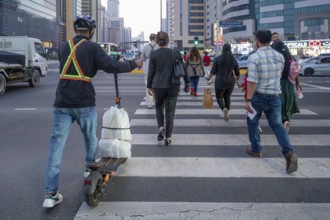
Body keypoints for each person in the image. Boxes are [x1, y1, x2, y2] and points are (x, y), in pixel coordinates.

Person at [43, 15, 137, 208]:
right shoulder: (92, 47)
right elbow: (111, 66)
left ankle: (50, 194)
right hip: (84, 101)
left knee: (55, 147)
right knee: (90, 139)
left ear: (76, 30)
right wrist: (132, 64)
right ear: (91, 32)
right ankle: (88, 169)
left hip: (61, 102)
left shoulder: (63, 47)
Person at [245, 30, 298, 174]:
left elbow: (252, 81)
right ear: (270, 40)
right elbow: (280, 74)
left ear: (257, 40)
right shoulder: (279, 56)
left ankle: (256, 149)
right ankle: (288, 152)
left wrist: (248, 100)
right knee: (277, 125)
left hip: (258, 97)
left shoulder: (254, 57)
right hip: (275, 96)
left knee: (252, 122)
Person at [147, 31, 190, 146]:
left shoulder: (154, 54)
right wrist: (187, 82)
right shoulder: (175, 52)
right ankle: (168, 137)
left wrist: (149, 86)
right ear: (168, 40)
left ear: (157, 41)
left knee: (158, 107)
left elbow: (151, 73)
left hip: (158, 85)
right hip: (173, 85)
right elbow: (183, 68)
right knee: (170, 112)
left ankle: (161, 127)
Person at [273, 40, 302, 133]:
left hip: (277, 83)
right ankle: (287, 120)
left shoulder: (276, 58)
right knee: (287, 103)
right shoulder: (291, 58)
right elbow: (296, 73)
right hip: (289, 84)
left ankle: (284, 120)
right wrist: (298, 84)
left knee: (278, 103)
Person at [207, 43, 240, 121]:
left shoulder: (218, 58)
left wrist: (208, 78)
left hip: (220, 81)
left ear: (223, 49)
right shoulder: (233, 59)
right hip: (230, 81)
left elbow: (213, 71)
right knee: (227, 97)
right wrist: (237, 80)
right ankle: (227, 111)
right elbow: (237, 72)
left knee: (219, 98)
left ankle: (223, 109)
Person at [141, 33, 158, 109]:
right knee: (157, 86)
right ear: (156, 38)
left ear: (149, 38)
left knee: (148, 86)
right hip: (157, 69)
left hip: (147, 68)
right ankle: (156, 102)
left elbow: (143, 58)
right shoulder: (158, 46)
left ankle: (149, 104)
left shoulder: (145, 47)